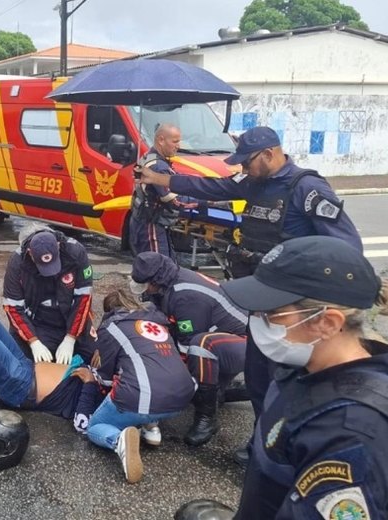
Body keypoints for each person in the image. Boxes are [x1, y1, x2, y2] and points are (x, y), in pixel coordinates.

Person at [138, 126, 363, 463]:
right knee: (259, 378)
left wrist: (314, 285)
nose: (242, 169)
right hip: (260, 301)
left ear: (269, 154)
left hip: (295, 309)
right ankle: (263, 443)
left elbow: (347, 247)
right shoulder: (254, 181)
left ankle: (290, 452)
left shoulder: (307, 189)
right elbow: (211, 186)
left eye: (247, 162)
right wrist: (161, 180)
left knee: (290, 381)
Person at [215, 236, 388, 519]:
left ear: (327, 323)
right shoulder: (304, 367)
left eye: (271, 313)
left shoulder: (352, 434)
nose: (258, 321)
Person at [130, 252, 247, 446]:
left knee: (200, 346)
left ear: (156, 280)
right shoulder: (169, 281)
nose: (146, 290)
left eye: (146, 285)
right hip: (225, 337)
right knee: (196, 351)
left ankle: (206, 419)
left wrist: (168, 383)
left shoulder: (185, 296)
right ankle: (221, 391)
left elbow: (186, 348)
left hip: (246, 342)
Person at [86, 290, 197, 484]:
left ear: (109, 311)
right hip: (182, 397)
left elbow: (105, 379)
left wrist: (92, 376)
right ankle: (151, 428)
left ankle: (118, 440)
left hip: (144, 397)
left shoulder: (112, 327)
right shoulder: (158, 322)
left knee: (96, 426)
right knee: (149, 375)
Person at [3, 228, 94, 364]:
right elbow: (13, 307)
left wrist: (70, 338)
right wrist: (33, 341)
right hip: (39, 322)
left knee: (97, 356)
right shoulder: (17, 262)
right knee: (16, 361)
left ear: (57, 246)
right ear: (30, 254)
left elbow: (83, 299)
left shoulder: (75, 253)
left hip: (70, 318)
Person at [128, 124, 198, 259]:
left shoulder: (151, 158)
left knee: (163, 266)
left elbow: (176, 178)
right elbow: (176, 201)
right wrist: (209, 201)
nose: (178, 145)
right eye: (175, 141)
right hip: (151, 225)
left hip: (148, 222)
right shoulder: (158, 167)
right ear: (161, 140)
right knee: (158, 269)